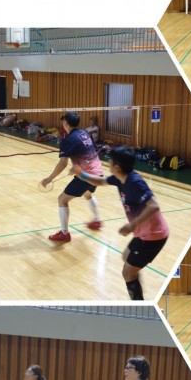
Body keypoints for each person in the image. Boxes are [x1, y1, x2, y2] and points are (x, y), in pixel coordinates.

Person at [72, 145, 169, 299]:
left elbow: (154, 205)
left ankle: (139, 305)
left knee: (127, 272)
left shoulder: (134, 183)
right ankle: (136, 285)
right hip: (143, 233)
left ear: (117, 167)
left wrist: (132, 225)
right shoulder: (120, 178)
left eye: (110, 161)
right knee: (126, 258)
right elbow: (101, 181)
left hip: (153, 236)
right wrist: (82, 174)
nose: (108, 163)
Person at [43, 111, 103, 243]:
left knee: (62, 200)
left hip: (86, 176)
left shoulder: (68, 140)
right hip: (98, 173)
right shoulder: (84, 133)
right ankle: (96, 221)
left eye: (63, 121)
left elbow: (62, 163)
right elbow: (93, 151)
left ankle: (64, 233)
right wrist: (77, 166)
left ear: (66, 123)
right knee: (87, 194)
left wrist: (49, 178)